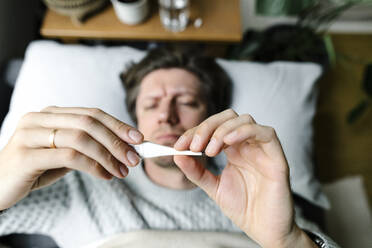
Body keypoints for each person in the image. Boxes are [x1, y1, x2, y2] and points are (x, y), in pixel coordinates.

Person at [0, 47, 338, 248]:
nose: (166, 115)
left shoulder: (253, 189)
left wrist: (289, 242)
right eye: (151, 105)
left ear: (211, 114)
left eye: (187, 101)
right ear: (135, 120)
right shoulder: (79, 183)